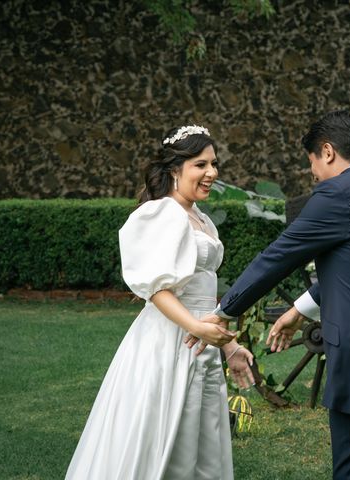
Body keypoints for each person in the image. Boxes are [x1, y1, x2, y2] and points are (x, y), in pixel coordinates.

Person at [193, 110, 350, 479]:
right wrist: (300, 309)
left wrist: (223, 311)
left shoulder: (339, 192)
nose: (313, 174)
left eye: (312, 162)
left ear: (328, 151)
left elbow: (280, 256)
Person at [65, 124, 255, 480]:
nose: (212, 173)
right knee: (165, 435)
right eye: (201, 165)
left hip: (203, 341)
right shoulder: (161, 214)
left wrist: (229, 347)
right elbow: (155, 290)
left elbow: (203, 291)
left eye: (214, 164)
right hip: (168, 341)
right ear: (174, 170)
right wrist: (195, 326)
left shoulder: (203, 220)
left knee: (202, 441)